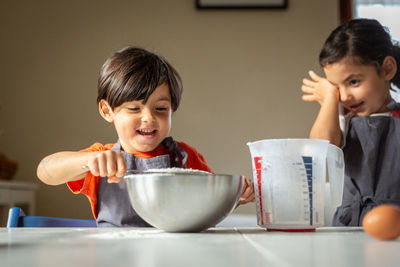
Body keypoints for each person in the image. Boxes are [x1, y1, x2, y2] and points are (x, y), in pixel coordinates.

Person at [37, 47, 254, 227]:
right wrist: (88, 162)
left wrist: (234, 198)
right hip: (113, 256)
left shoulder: (186, 157)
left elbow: (208, 207)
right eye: (134, 108)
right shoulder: (101, 159)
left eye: (160, 108)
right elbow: (45, 170)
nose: (148, 118)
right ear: (107, 111)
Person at [301, 19, 400, 226]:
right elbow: (320, 149)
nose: (344, 97)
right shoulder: (343, 124)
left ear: (387, 69)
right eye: (336, 86)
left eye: (354, 82)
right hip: (350, 227)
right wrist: (329, 99)